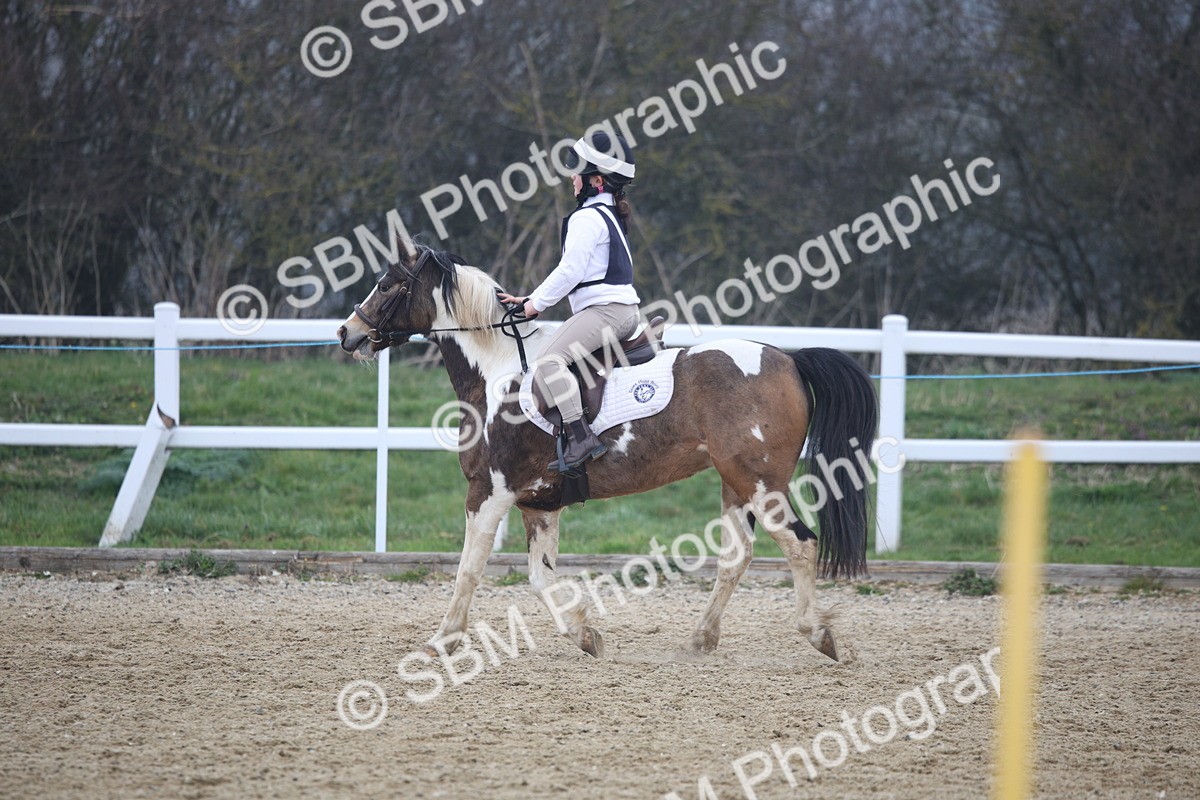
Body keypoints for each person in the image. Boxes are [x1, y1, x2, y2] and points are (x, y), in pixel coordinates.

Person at [498, 131, 641, 473]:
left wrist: (535, 307)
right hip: (621, 312)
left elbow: (570, 271)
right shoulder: (607, 215)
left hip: (606, 313)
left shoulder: (588, 217)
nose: (571, 178)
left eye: (577, 172)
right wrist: (533, 297)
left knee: (548, 363)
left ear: (595, 180)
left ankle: (581, 436)